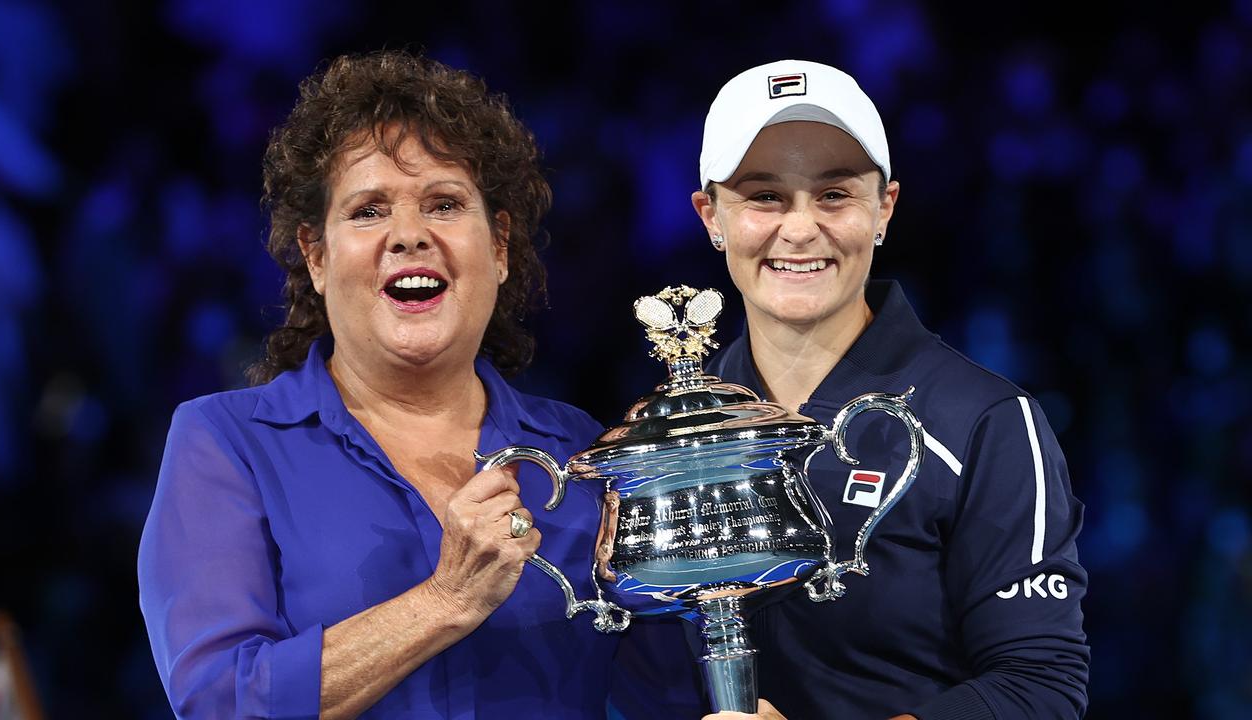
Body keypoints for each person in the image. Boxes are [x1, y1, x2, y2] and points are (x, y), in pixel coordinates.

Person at [138, 50, 619, 719]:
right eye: (368, 211)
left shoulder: (585, 450)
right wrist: (445, 601)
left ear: (500, 247)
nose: (409, 235)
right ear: (316, 256)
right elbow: (219, 699)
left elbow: (654, 679)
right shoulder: (226, 443)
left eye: (444, 203)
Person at [674, 60, 1090, 719]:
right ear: (711, 216)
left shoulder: (985, 423)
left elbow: (1039, 686)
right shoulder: (676, 431)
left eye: (834, 194)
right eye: (764, 196)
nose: (800, 227)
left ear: (883, 209)